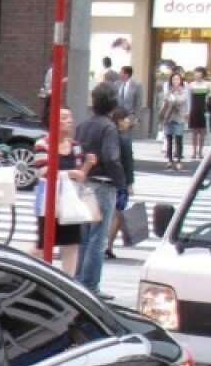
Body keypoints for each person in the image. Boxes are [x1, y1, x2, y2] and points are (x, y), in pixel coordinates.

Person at [75, 84, 125, 294]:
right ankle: (91, 284)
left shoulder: (83, 125)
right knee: (98, 237)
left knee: (85, 236)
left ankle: (79, 279)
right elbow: (112, 157)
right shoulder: (108, 127)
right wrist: (120, 182)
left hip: (85, 182)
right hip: (103, 184)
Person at [33, 108, 84, 278]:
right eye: (64, 117)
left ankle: (69, 281)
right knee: (42, 246)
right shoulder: (43, 144)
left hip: (70, 202)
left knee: (71, 244)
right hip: (49, 201)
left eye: (70, 117)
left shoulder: (75, 146)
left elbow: (80, 172)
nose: (69, 120)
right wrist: (70, 174)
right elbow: (44, 171)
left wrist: (86, 167)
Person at [105, 102, 137, 260]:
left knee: (108, 213)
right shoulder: (124, 138)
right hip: (121, 181)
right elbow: (128, 162)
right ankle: (108, 245)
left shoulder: (108, 135)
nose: (128, 121)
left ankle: (105, 243)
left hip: (108, 179)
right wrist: (130, 183)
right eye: (125, 119)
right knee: (117, 215)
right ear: (119, 120)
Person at [156, 70, 190, 169]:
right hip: (168, 118)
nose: (176, 81)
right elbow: (165, 102)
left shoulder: (183, 91)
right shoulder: (169, 91)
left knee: (179, 139)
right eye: (174, 79)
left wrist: (173, 97)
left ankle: (179, 160)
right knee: (169, 139)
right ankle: (170, 160)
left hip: (179, 118)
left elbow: (181, 100)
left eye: (177, 79)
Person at [187, 66, 211, 162]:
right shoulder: (191, 85)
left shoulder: (208, 84)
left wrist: (209, 100)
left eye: (199, 72)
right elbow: (189, 99)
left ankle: (200, 151)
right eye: (196, 73)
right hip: (194, 109)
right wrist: (188, 111)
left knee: (202, 132)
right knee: (194, 132)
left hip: (204, 110)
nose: (197, 74)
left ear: (203, 74)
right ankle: (194, 151)